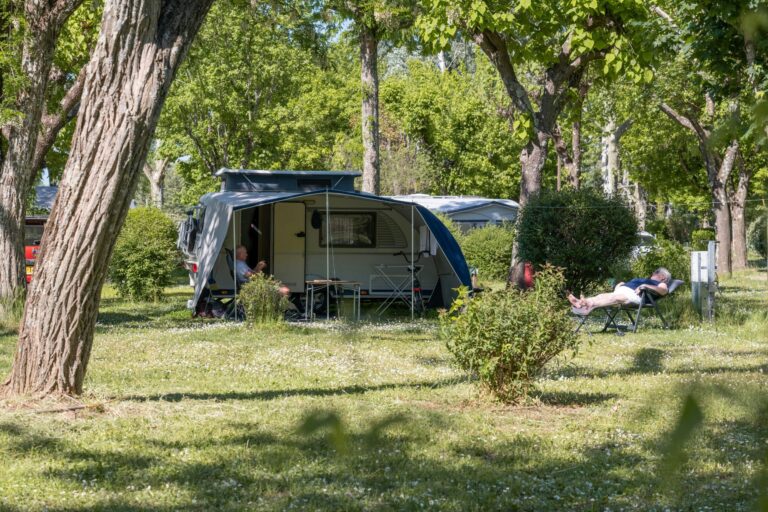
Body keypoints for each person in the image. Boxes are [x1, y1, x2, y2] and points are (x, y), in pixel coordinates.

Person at [568, 267, 672, 314]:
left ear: (662, 276)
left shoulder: (660, 283)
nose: (652, 275)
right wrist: (620, 285)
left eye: (654, 273)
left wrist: (645, 285)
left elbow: (663, 291)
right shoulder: (649, 280)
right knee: (601, 295)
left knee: (615, 298)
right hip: (624, 291)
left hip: (635, 296)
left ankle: (588, 305)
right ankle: (579, 303)